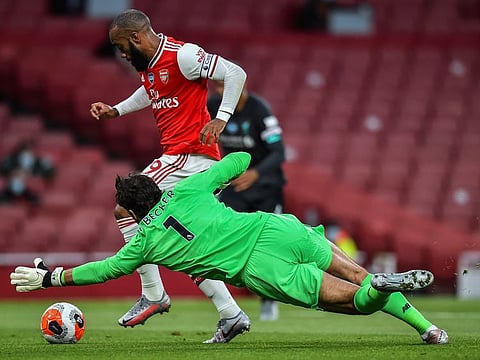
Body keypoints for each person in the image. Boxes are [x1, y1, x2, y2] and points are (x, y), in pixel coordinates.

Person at [10, 152, 448, 345]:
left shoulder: (144, 243)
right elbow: (239, 164)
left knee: (359, 303)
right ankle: (429, 329)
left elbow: (102, 270)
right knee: (359, 275)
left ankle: (380, 291)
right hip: (276, 229)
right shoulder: (186, 191)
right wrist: (226, 169)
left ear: (132, 211)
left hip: (259, 268)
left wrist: (53, 276)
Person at [88, 9, 250, 343]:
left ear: (135, 37)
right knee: (183, 242)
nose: (120, 53)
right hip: (185, 159)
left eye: (121, 45)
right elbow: (151, 93)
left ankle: (153, 293)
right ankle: (231, 314)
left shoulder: (184, 56)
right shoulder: (150, 68)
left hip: (189, 157)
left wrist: (221, 117)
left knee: (125, 205)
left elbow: (235, 73)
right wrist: (116, 110)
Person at [208, 80, 286, 321]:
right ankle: (226, 301)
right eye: (218, 88)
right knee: (219, 231)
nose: (221, 93)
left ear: (241, 87)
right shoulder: (213, 107)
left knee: (269, 244)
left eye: (225, 87)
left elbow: (279, 152)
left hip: (266, 186)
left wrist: (255, 173)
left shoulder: (259, 109)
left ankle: (268, 300)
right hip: (237, 186)